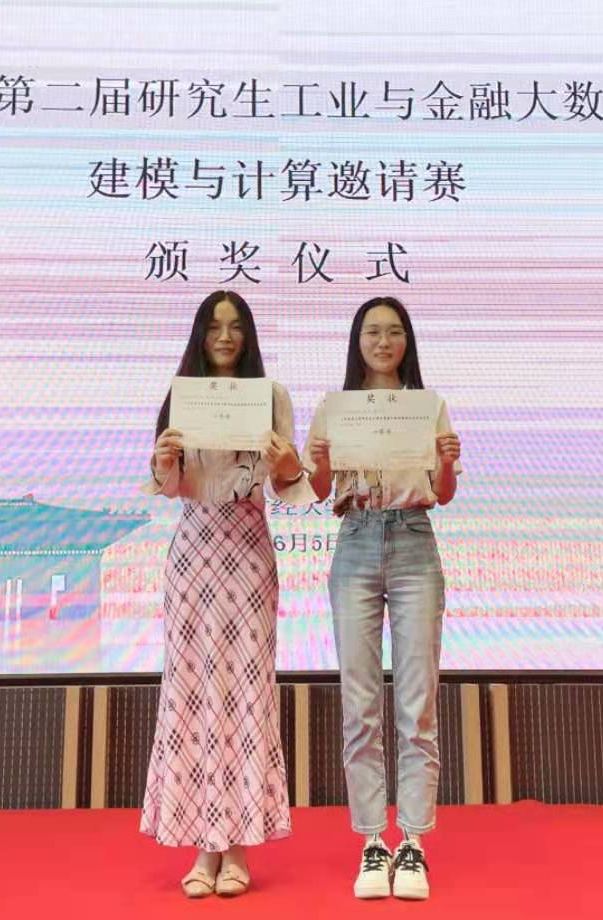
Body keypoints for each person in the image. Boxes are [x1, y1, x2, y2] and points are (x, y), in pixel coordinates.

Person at [139, 290, 314, 898]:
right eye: (214, 326)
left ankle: (237, 847)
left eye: (235, 326)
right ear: (200, 334)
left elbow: (290, 487)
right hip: (192, 553)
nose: (224, 336)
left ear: (248, 335)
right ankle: (201, 848)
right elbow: (167, 487)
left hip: (248, 553)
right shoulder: (181, 395)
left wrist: (288, 465)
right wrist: (163, 461)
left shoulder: (272, 397)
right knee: (191, 693)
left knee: (246, 694)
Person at [306, 297, 461, 902]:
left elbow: (442, 494)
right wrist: (321, 463)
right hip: (356, 541)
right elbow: (320, 489)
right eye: (372, 332)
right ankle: (373, 840)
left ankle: (413, 842)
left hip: (415, 541)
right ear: (357, 341)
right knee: (360, 702)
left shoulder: (427, 406)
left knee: (417, 704)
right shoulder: (336, 408)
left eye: (394, 332)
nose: (383, 341)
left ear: (407, 342)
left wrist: (446, 463)